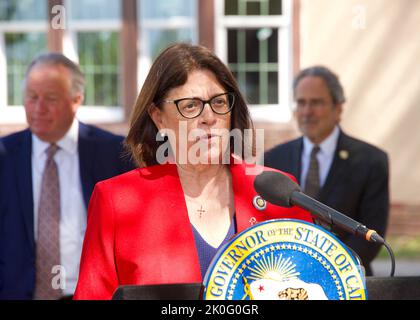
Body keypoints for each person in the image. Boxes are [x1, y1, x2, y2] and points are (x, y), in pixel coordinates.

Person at [73, 43, 313, 300]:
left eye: (219, 102)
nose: (208, 117)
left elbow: (311, 287)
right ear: (158, 117)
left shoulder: (279, 192)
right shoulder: (117, 200)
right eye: (190, 106)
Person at [0, 53, 134, 300]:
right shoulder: (4, 155)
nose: (38, 108)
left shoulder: (117, 155)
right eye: (31, 97)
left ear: (76, 100)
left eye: (50, 98)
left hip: (92, 294)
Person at [264, 66, 389, 276]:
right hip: (285, 278)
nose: (306, 111)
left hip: (347, 279)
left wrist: (327, 271)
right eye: (301, 102)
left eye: (316, 102)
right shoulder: (274, 158)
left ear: (338, 109)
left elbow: (371, 234)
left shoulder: (371, 160)